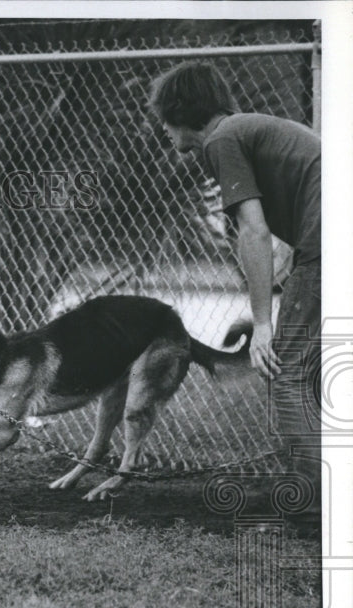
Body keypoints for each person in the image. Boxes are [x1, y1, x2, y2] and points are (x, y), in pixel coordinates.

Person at [149, 61, 321, 510]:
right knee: (320, 373)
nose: (164, 130)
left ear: (181, 111)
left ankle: (311, 501)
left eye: (164, 119)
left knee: (287, 375)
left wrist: (262, 324)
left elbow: (254, 231)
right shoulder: (247, 130)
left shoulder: (222, 139)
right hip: (327, 239)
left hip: (330, 241)